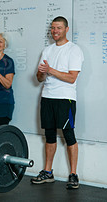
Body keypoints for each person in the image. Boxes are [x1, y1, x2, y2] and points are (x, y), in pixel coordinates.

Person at [31, 16, 84, 189]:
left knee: (69, 135)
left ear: (66, 29)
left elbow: (71, 78)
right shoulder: (47, 51)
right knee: (50, 135)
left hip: (65, 99)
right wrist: (42, 73)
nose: (55, 31)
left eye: (59, 28)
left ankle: (73, 174)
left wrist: (50, 70)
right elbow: (39, 78)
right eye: (53, 28)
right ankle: (48, 172)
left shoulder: (74, 50)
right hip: (47, 97)